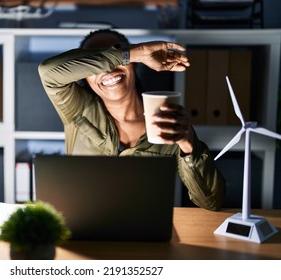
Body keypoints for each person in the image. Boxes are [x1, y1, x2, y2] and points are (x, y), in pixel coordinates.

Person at [38, 29, 225, 211]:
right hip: (84, 228)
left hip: (145, 234)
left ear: (134, 65)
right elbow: (48, 72)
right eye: (95, 63)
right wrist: (137, 52)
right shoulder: (78, 108)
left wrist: (188, 144)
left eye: (116, 54)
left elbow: (211, 201)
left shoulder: (166, 121)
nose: (108, 68)